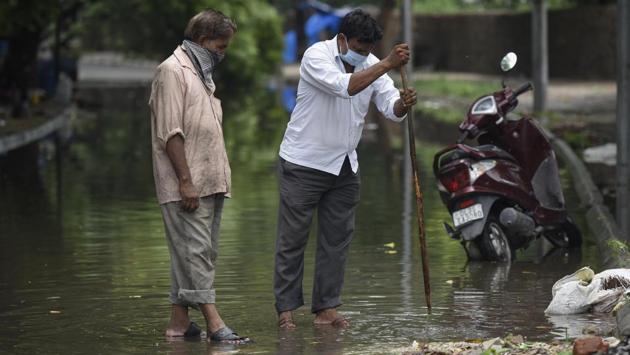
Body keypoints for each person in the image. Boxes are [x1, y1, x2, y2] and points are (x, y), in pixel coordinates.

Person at [274, 9, 418, 329]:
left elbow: (390, 108)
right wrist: (386, 64)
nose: (363, 53)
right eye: (359, 47)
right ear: (342, 39)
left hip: (344, 166)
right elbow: (345, 87)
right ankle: (286, 311)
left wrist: (403, 104)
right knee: (292, 240)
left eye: (368, 49)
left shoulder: (373, 64)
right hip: (304, 163)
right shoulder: (316, 56)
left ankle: (326, 310)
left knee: (337, 240)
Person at [149, 9, 250, 344]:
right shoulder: (171, 71)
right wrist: (186, 181)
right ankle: (215, 323)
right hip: (185, 184)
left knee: (195, 252)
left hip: (210, 180)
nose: (224, 52)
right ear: (204, 41)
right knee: (197, 253)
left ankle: (178, 325)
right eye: (221, 46)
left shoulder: (200, 73)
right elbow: (170, 132)